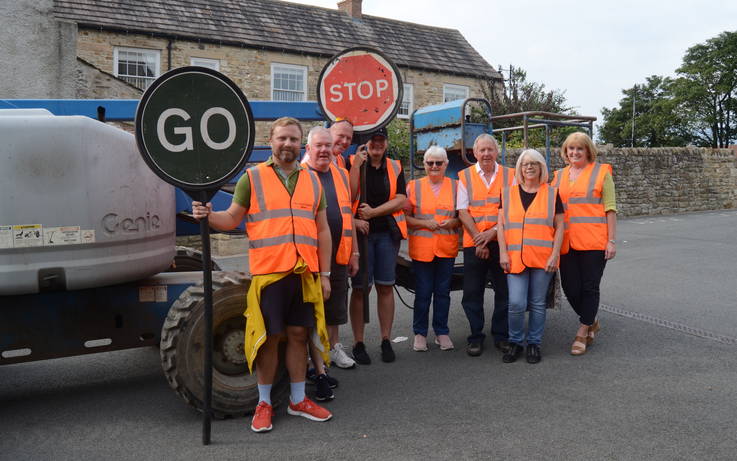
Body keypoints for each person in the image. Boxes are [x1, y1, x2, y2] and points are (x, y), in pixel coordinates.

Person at [191, 117, 333, 433]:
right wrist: (208, 215)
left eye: (294, 139)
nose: (288, 144)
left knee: (299, 336)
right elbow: (230, 219)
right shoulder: (252, 179)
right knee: (271, 340)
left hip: (304, 275)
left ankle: (298, 400)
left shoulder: (312, 181)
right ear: (272, 140)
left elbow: (322, 230)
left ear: (301, 144)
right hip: (270, 274)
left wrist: (324, 274)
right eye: (282, 138)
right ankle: (264, 403)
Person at [302, 127, 360, 401]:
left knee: (334, 308)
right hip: (308, 259)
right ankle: (311, 366)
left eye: (328, 145)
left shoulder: (340, 173)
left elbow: (347, 216)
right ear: (308, 148)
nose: (324, 150)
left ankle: (330, 352)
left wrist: (354, 253)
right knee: (309, 315)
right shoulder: (300, 175)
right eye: (319, 145)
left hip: (339, 254)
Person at [551, 132, 617, 356]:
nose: (574, 152)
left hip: (594, 241)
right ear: (565, 152)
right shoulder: (558, 176)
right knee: (570, 288)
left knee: (590, 287)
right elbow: (549, 207)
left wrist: (611, 241)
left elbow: (610, 208)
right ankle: (592, 320)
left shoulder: (601, 173)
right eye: (571, 149)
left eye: (579, 148)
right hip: (566, 242)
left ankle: (582, 331)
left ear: (588, 150)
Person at [497, 149, 564, 364]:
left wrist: (555, 254)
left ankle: (534, 343)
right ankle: (515, 342)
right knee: (516, 302)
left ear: (541, 167)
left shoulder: (552, 193)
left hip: (543, 257)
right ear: (519, 168)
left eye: (534, 163)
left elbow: (561, 226)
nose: (529, 167)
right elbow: (500, 225)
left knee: (537, 303)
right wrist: (503, 252)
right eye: (525, 164)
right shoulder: (507, 193)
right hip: (514, 257)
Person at [347, 126, 407, 364]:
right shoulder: (352, 162)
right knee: (361, 288)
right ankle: (358, 342)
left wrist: (373, 213)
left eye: (381, 140)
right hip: (360, 235)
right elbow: (349, 196)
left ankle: (385, 340)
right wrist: (354, 167)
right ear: (366, 142)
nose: (377, 144)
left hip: (385, 234)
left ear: (386, 143)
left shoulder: (395, 166)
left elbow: (402, 199)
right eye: (373, 140)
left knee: (385, 286)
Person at [457, 133, 515, 357]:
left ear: (497, 151)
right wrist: (478, 238)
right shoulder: (465, 177)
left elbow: (513, 211)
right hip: (474, 242)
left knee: (504, 290)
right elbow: (462, 211)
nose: (486, 154)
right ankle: (475, 336)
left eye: (490, 149)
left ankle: (501, 335)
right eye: (482, 150)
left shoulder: (510, 176)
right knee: (472, 291)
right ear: (475, 153)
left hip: (501, 241)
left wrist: (491, 234)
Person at [404, 146, 460, 352]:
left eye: (438, 163)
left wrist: (452, 223)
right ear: (424, 164)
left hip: (446, 248)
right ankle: (420, 333)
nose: (434, 166)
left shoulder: (456, 186)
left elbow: (461, 217)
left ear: (446, 164)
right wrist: (424, 224)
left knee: (443, 292)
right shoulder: (413, 186)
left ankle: (441, 332)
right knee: (423, 292)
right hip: (422, 249)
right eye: (430, 163)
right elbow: (405, 217)